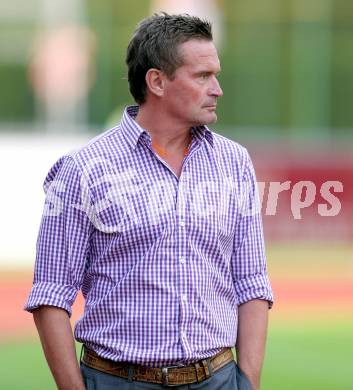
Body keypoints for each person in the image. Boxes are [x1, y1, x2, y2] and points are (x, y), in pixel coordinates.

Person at [25, 13, 273, 390]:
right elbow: (51, 295)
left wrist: (248, 382)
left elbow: (252, 283)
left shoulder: (234, 162)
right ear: (156, 81)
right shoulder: (82, 170)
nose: (217, 88)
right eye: (203, 76)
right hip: (117, 380)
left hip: (218, 379)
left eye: (216, 74)